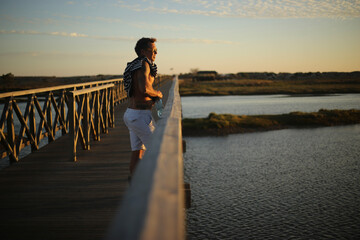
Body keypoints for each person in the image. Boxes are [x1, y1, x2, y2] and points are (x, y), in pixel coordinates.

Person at [123, 37, 163, 177]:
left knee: (138, 152)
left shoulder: (135, 64)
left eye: (156, 51)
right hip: (138, 116)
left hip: (133, 114)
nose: (155, 54)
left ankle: (135, 183)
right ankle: (154, 185)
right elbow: (144, 88)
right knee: (158, 150)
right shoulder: (143, 64)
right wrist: (157, 93)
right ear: (142, 51)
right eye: (153, 51)